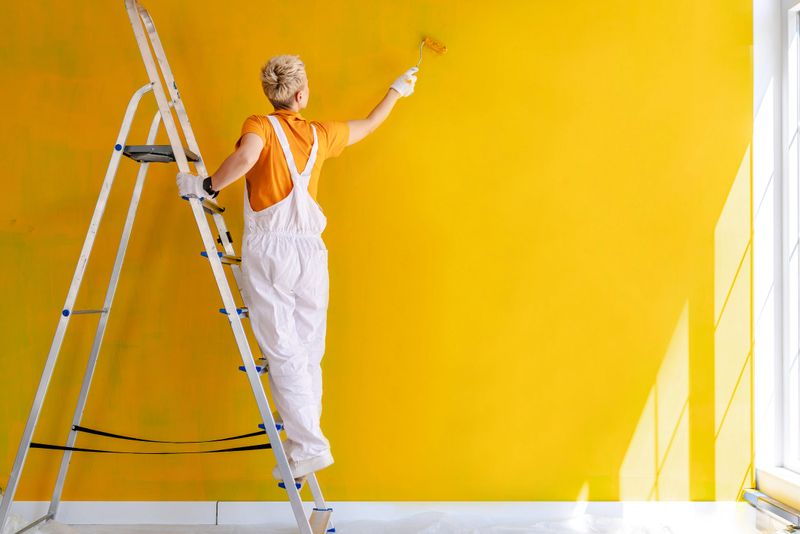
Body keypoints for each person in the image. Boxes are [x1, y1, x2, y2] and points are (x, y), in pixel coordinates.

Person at [176, 55, 418, 485]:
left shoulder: (260, 125)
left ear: (270, 93)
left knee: (284, 351)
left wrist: (207, 185)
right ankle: (304, 444)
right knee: (308, 352)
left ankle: (308, 445)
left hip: (270, 251)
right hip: (311, 254)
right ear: (301, 94)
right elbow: (368, 125)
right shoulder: (321, 134)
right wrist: (397, 90)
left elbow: (248, 157)